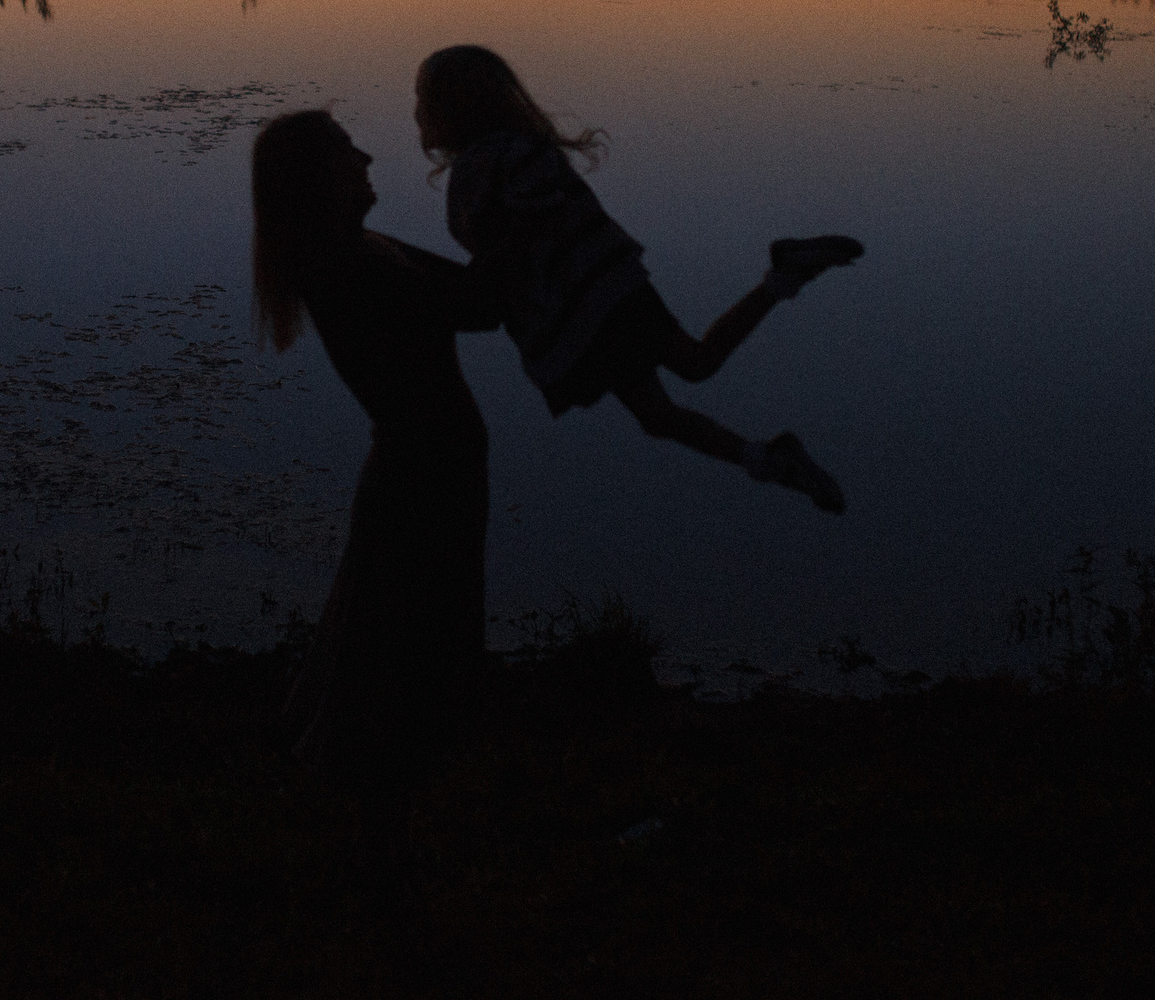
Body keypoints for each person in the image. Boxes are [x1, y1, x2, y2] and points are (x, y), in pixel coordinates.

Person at [414, 44, 855, 513]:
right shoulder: (480, 165)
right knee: (659, 413)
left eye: (426, 100)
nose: (419, 112)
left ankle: (783, 278)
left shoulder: (513, 155)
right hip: (581, 309)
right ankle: (771, 459)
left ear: (458, 106)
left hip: (600, 298)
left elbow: (526, 230)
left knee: (693, 366)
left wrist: (471, 288)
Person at [254, 109, 499, 781]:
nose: (366, 157)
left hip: (426, 466)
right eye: (346, 152)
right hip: (423, 473)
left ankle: (375, 774)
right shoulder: (352, 264)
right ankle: (381, 785)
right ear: (318, 178)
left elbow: (480, 297)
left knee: (385, 622)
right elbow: (482, 305)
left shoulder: (368, 247)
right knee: (401, 629)